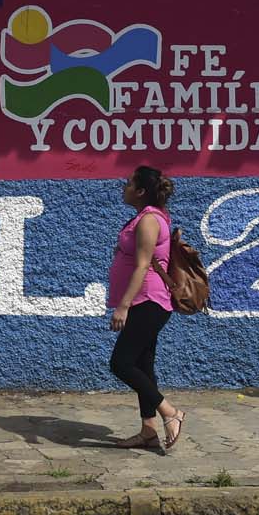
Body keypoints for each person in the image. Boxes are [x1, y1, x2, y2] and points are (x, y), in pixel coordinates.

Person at [107, 165, 187, 450]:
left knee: (121, 363)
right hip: (145, 302)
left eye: (129, 183)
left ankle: (170, 412)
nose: (124, 187)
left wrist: (123, 306)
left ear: (141, 191)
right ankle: (148, 431)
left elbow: (143, 265)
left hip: (148, 301)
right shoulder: (143, 217)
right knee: (143, 364)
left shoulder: (149, 220)